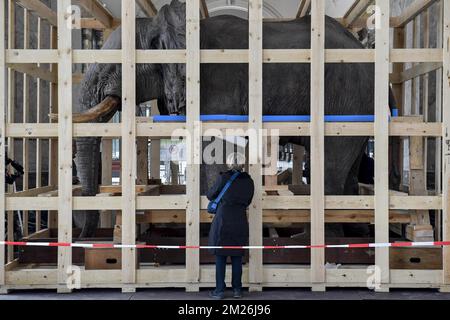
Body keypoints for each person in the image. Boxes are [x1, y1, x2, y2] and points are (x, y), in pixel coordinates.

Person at [207, 153, 254, 299]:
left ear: (228, 164)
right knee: (237, 256)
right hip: (240, 219)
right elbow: (248, 201)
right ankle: (237, 290)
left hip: (223, 220)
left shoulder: (223, 178)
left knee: (220, 256)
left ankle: (219, 290)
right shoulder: (249, 181)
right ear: (242, 164)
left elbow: (210, 195)